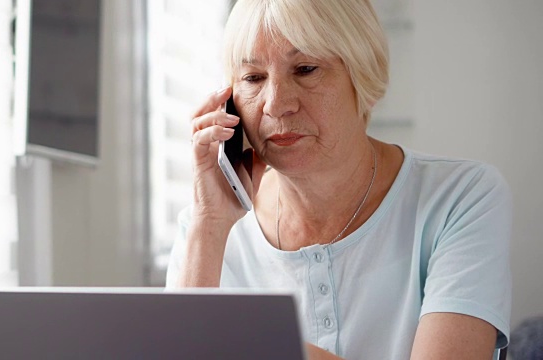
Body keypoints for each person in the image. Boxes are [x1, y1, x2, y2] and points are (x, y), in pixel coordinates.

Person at [166, 0, 512, 359]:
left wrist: (243, 343)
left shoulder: (462, 195)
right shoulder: (206, 225)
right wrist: (210, 223)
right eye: (253, 78)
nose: (276, 104)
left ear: (362, 75)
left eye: (305, 69)